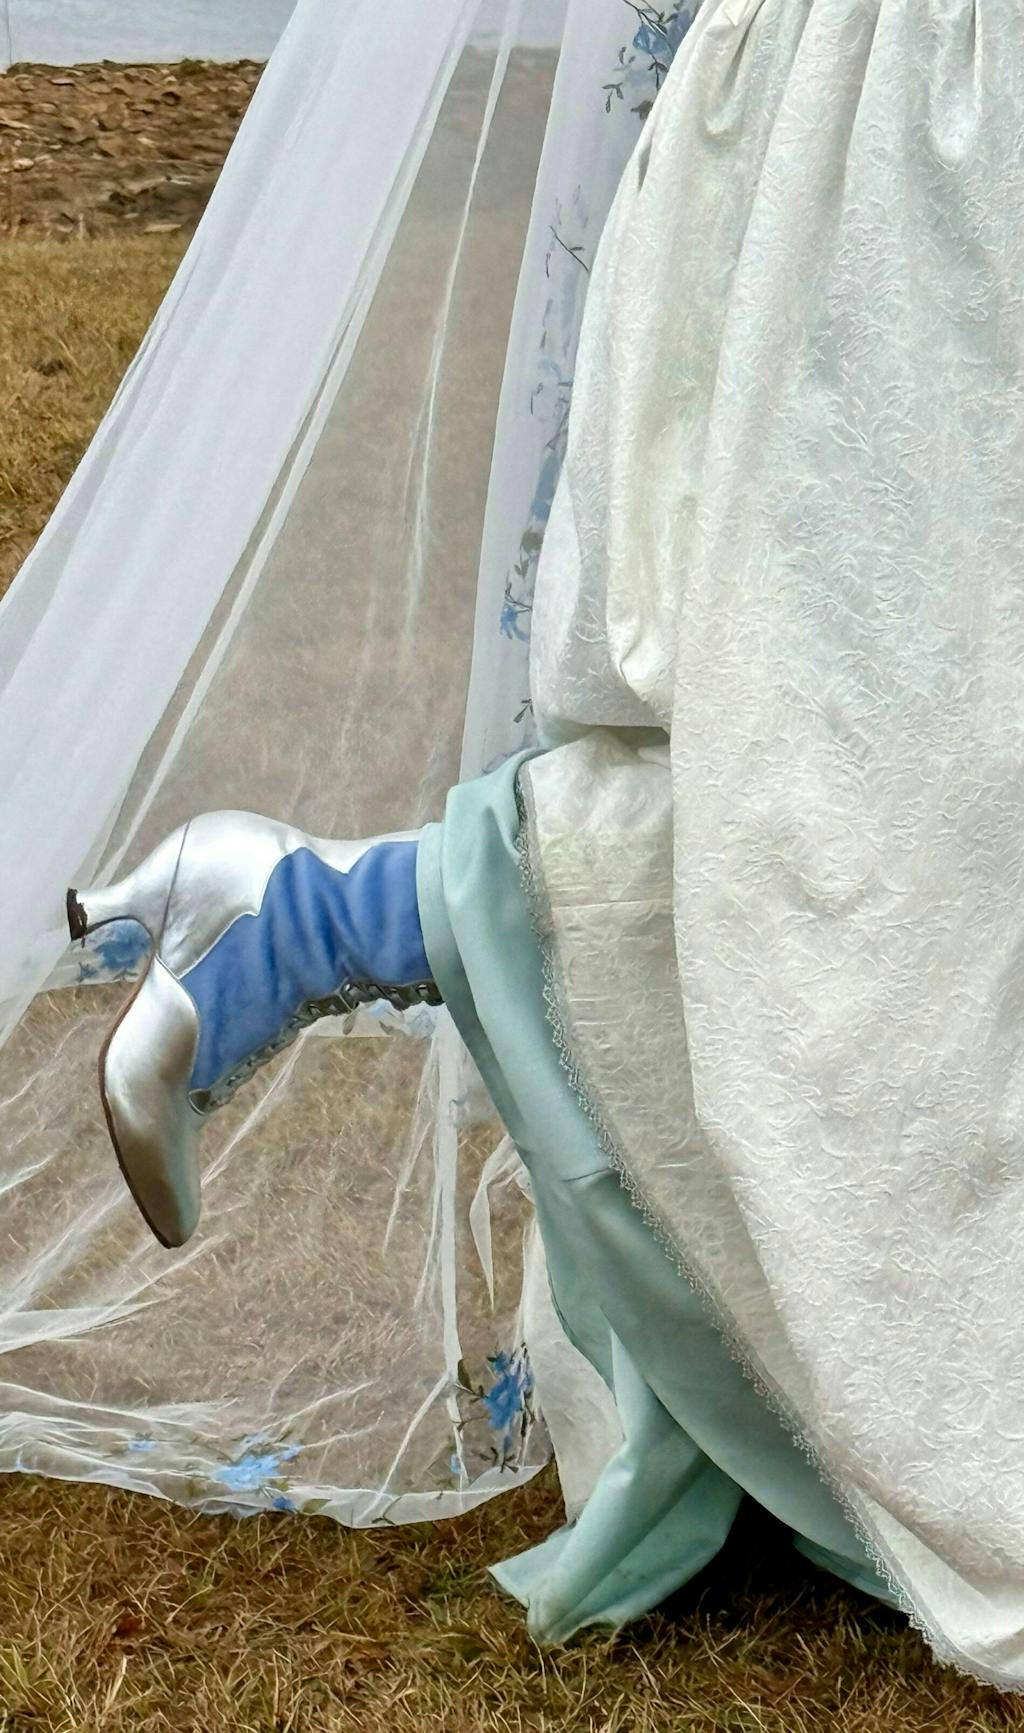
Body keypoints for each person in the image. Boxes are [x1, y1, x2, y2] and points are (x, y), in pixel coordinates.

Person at [64, 0, 1024, 1682]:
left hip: (901, 118)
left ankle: (318, 913)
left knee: (895, 792)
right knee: (879, 793)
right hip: (908, 133)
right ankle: (317, 919)